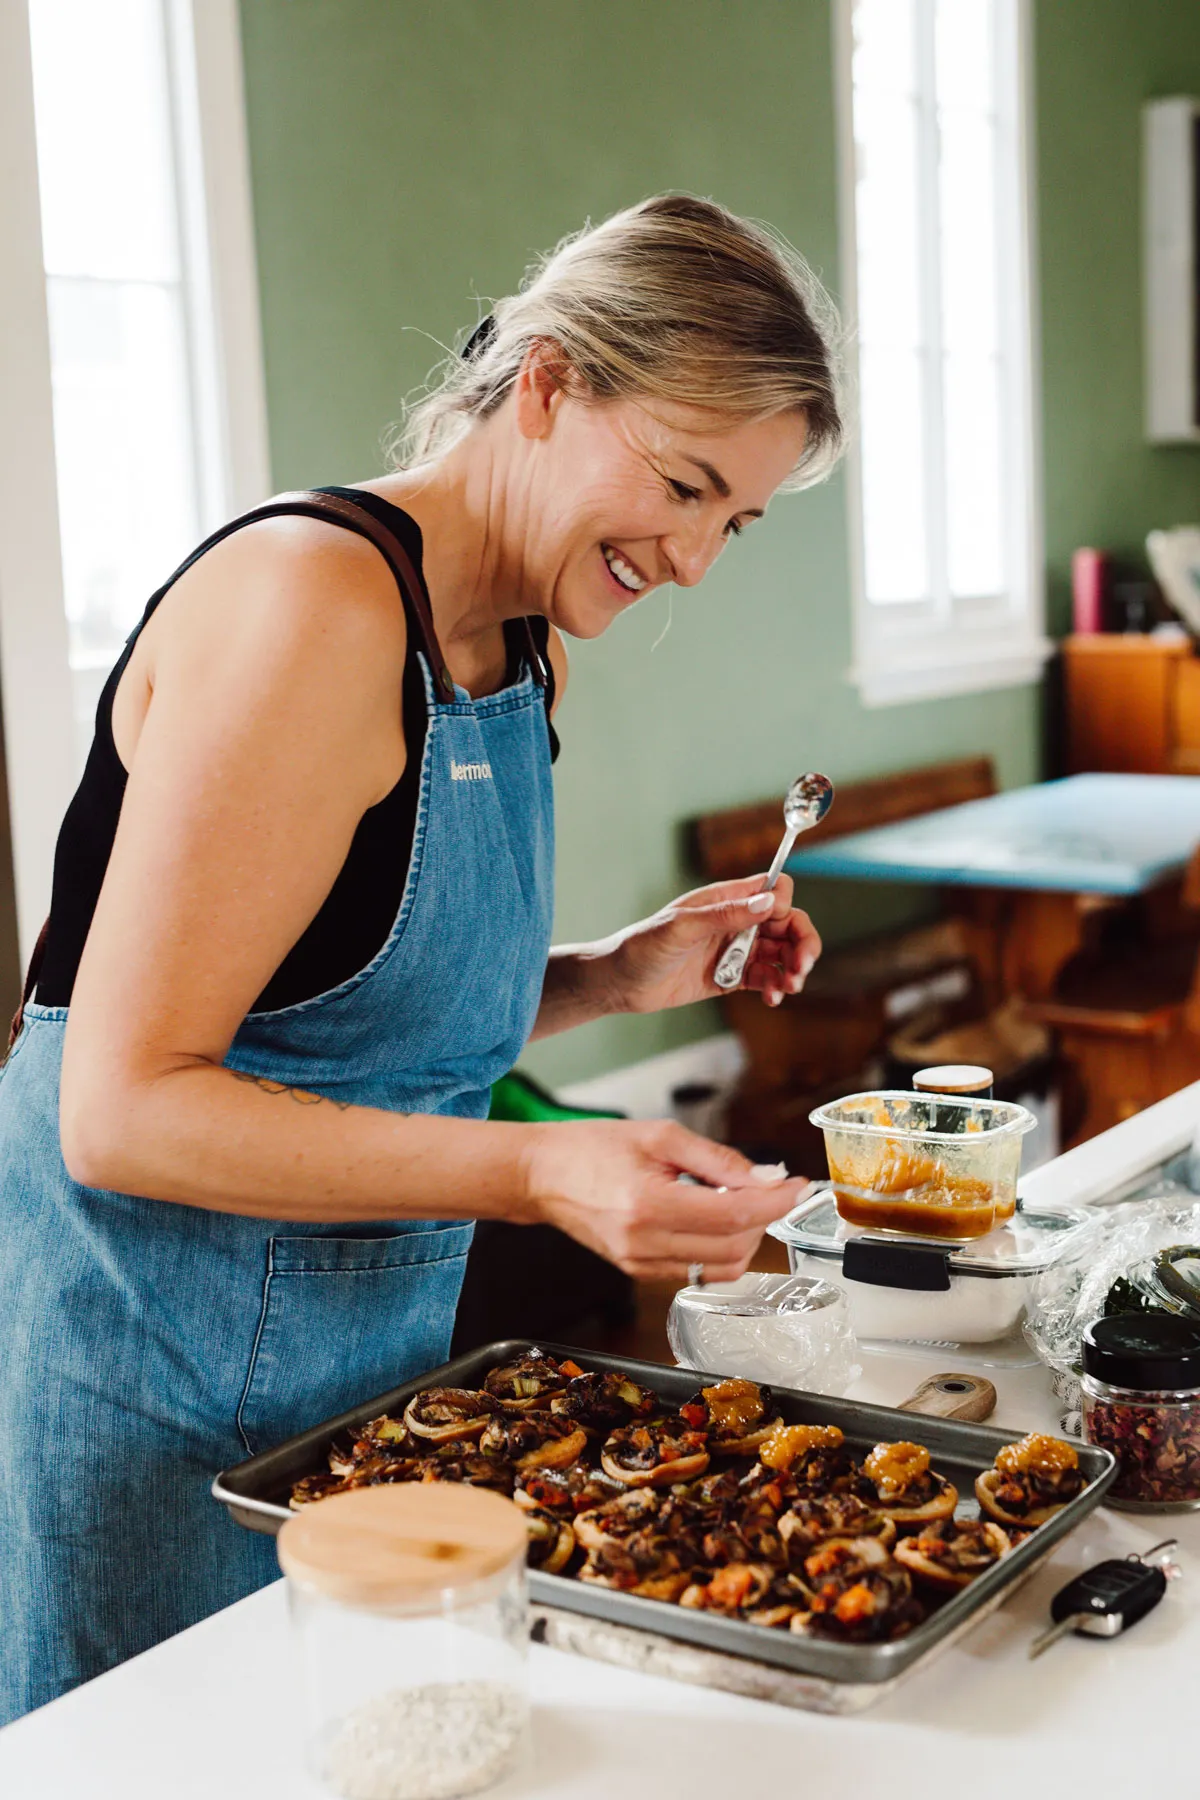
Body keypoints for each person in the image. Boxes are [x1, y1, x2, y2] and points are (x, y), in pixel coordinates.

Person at [0, 193, 843, 1721]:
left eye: (742, 517)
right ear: (545, 383)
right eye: (686, 482)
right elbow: (122, 1109)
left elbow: (337, 1013)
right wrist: (544, 1173)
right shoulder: (309, 605)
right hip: (139, 1386)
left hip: (347, 1395)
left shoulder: (524, 646)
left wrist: (612, 975)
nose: (704, 559)